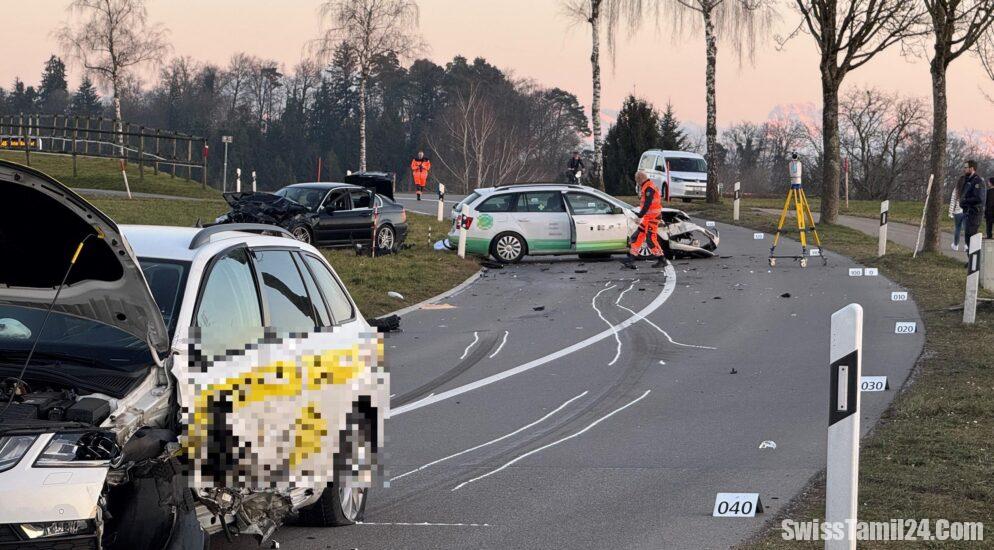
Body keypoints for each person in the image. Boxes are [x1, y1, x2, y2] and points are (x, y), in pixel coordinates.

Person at [622, 170, 668, 270]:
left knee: (650, 239)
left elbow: (647, 203)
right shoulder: (647, 186)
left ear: (640, 179)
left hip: (652, 218)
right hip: (649, 218)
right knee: (637, 237)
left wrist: (640, 215)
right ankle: (631, 259)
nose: (636, 182)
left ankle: (661, 259)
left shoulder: (648, 187)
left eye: (636, 180)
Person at [958, 160, 987, 247]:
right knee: (967, 237)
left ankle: (974, 259)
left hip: (975, 213)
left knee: (971, 236)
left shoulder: (978, 181)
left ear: (972, 168)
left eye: (966, 168)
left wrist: (965, 200)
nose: (964, 169)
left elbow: (979, 198)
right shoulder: (967, 180)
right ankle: (971, 259)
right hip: (968, 212)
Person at [949, 181, 966, 251]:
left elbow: (952, 201)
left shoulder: (956, 189)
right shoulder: (969, 188)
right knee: (966, 229)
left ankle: (956, 245)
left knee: (957, 229)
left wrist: (950, 212)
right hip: (967, 211)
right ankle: (967, 245)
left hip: (957, 212)